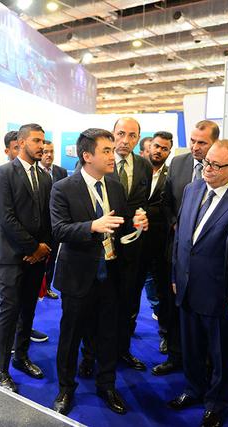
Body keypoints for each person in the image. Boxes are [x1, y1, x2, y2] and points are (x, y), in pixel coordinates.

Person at [50, 128, 148, 415]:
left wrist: (136, 223)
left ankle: (107, 385)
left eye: (111, 150)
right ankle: (66, 388)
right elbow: (59, 230)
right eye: (106, 150)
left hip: (111, 275)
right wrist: (92, 226)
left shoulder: (114, 187)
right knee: (70, 337)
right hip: (77, 276)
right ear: (87, 156)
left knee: (108, 335)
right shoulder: (63, 188)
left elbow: (121, 224)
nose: (113, 154)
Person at [168, 139, 228, 427]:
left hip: (220, 291)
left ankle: (217, 403)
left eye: (215, 165)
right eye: (206, 163)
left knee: (222, 353)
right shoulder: (193, 189)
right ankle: (193, 389)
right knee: (191, 347)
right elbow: (181, 237)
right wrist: (176, 275)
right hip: (187, 285)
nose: (207, 169)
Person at [0, 123, 52, 393]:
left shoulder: (45, 177)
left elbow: (48, 217)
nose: (42, 146)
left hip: (37, 258)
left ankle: (21, 357)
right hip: (13, 258)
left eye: (43, 141)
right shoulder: (3, 173)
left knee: (28, 310)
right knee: (9, 313)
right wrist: (33, 248)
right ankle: (0, 370)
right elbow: (6, 218)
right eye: (37, 141)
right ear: (22, 142)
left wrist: (44, 248)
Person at [155, 120, 221, 375]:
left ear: (214, 143)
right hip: (176, 250)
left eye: (202, 142)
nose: (195, 147)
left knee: (204, 310)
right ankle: (175, 355)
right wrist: (176, 223)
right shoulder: (178, 163)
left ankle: (205, 362)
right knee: (173, 305)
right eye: (192, 141)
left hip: (207, 256)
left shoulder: (226, 167)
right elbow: (166, 202)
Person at [110, 117, 153, 371]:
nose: (125, 140)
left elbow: (143, 203)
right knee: (101, 303)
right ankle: (93, 353)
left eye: (132, 135)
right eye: (121, 134)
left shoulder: (144, 166)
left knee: (129, 301)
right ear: (113, 133)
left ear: (138, 138)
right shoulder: (99, 162)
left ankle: (123, 350)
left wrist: (143, 216)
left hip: (133, 248)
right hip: (103, 246)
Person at [133, 131, 173, 357]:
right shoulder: (136, 171)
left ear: (169, 151)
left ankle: (166, 334)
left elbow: (169, 208)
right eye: (156, 146)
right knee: (130, 291)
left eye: (164, 148)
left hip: (159, 244)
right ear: (148, 147)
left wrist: (146, 213)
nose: (159, 151)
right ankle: (125, 332)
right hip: (133, 243)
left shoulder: (172, 175)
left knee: (163, 293)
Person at [40, 139, 68, 299]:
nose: (49, 155)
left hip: (56, 223)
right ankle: (36, 289)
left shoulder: (60, 172)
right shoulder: (34, 171)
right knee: (38, 259)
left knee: (52, 258)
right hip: (39, 224)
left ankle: (47, 287)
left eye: (51, 152)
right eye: (45, 152)